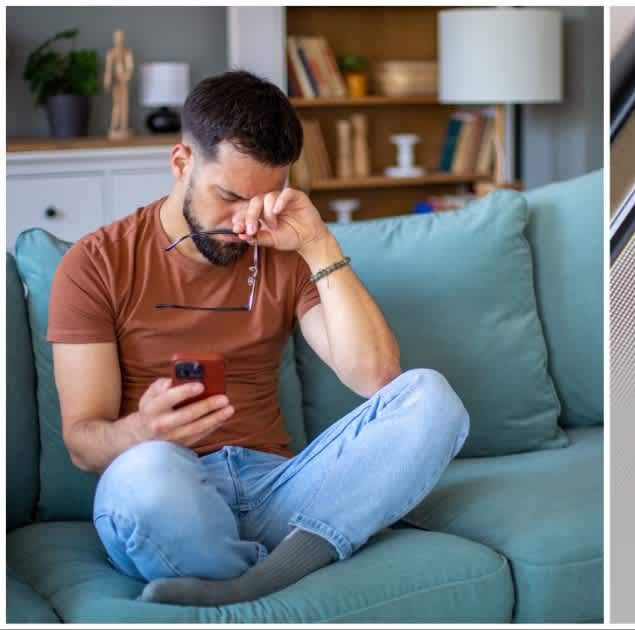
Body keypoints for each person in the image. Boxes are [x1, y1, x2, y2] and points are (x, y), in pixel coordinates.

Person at [47, 70, 469, 607]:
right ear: (181, 163)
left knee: (431, 397)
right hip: (168, 484)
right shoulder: (97, 263)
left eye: (266, 197)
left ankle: (252, 581)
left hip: (275, 486)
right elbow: (83, 442)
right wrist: (142, 431)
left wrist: (317, 245)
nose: (244, 220)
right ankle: (289, 563)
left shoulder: (282, 249)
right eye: (228, 195)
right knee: (146, 475)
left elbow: (376, 377)